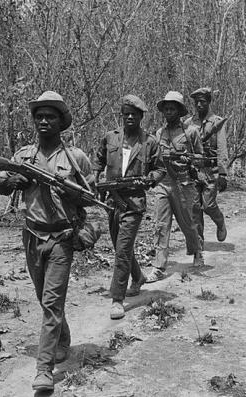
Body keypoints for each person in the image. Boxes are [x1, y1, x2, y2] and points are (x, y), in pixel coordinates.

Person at [0, 91, 97, 391]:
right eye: (39, 115)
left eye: (50, 116)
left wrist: (68, 190)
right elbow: (1, 183)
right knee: (44, 299)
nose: (43, 121)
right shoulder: (24, 156)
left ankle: (44, 370)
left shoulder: (75, 158)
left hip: (61, 239)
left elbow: (90, 198)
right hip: (31, 236)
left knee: (52, 303)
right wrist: (12, 181)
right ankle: (62, 339)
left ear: (61, 122)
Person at [93, 95, 165, 320]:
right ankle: (138, 276)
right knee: (118, 245)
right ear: (121, 115)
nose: (130, 117)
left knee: (123, 249)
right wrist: (95, 180)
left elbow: (160, 169)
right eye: (126, 114)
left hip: (134, 202)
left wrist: (149, 179)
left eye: (134, 114)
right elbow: (98, 160)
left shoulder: (149, 142)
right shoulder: (110, 138)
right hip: (112, 201)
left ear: (141, 117)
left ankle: (117, 298)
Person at [148, 91, 204, 282]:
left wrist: (189, 159)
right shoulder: (158, 134)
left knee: (187, 222)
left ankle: (197, 250)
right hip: (163, 183)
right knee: (161, 225)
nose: (169, 112)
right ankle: (159, 266)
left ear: (180, 111)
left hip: (183, 183)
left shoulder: (191, 132)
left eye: (173, 108)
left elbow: (200, 158)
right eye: (166, 109)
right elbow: (154, 160)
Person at [185, 87, 228, 245]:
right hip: (194, 171)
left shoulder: (217, 122)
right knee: (195, 207)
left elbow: (222, 148)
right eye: (197, 102)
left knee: (208, 205)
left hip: (211, 171)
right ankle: (198, 241)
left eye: (203, 101)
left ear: (209, 102)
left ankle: (220, 221)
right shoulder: (188, 123)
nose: (199, 105)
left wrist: (223, 173)